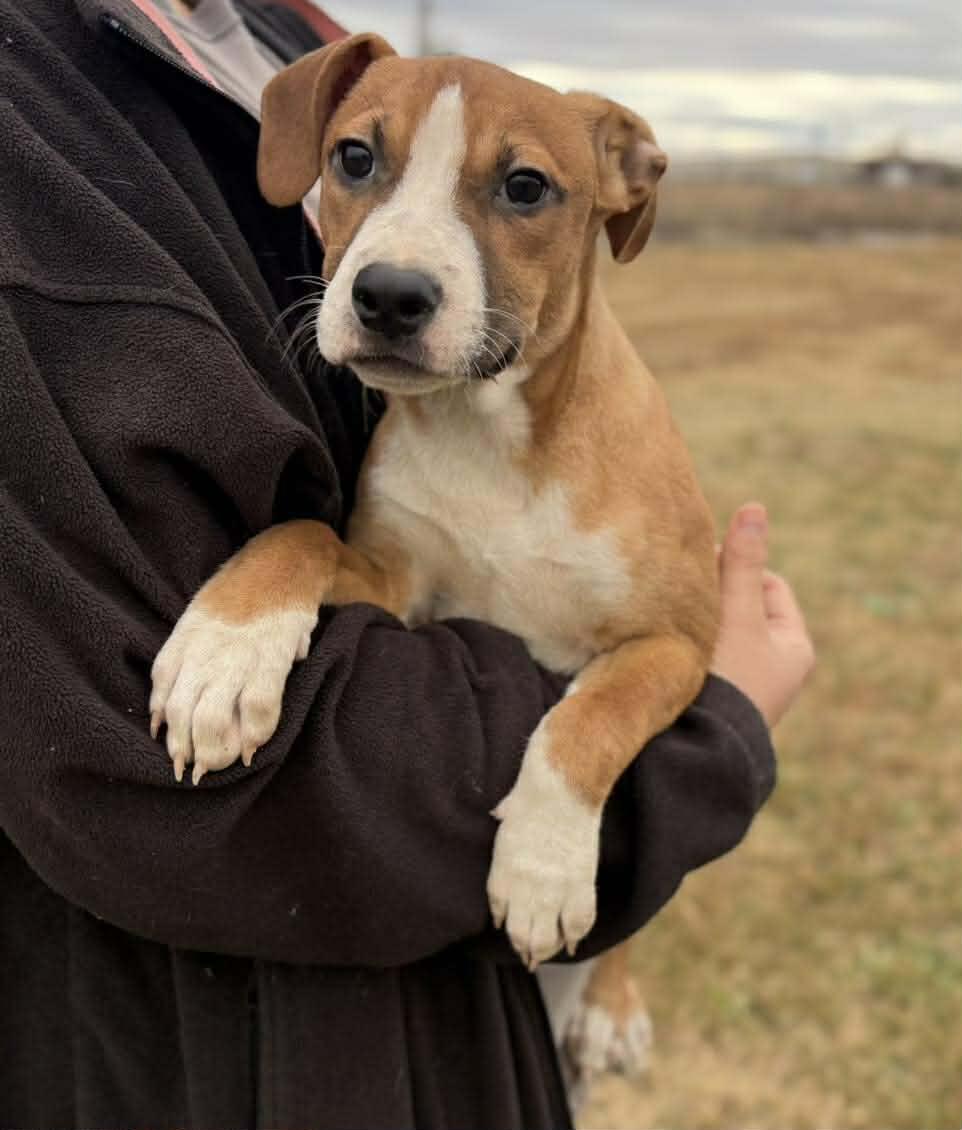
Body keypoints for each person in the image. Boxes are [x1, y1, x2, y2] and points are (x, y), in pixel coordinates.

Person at [0, 1, 815, 1127]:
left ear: (618, 195)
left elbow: (669, 646)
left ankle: (612, 969)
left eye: (519, 189)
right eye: (358, 167)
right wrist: (275, 578)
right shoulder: (53, 99)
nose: (397, 265)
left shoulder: (275, 31)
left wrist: (585, 778)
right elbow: (377, 578)